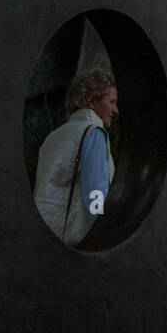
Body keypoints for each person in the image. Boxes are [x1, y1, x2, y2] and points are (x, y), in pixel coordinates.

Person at [34, 69, 118, 246]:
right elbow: (95, 193)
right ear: (92, 100)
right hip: (74, 241)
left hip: (43, 233)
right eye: (111, 102)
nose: (115, 110)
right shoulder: (93, 134)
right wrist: (101, 234)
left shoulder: (55, 136)